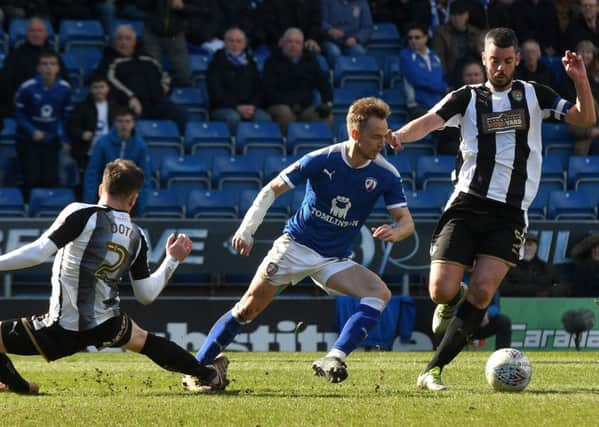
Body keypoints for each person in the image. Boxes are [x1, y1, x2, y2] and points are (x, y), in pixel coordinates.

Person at [389, 27, 595, 391]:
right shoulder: (465, 98)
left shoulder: (534, 94)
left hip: (510, 213)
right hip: (467, 204)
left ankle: (432, 371)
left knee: (483, 292)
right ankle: (451, 300)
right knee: (440, 289)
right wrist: (398, 137)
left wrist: (579, 79)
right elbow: (428, 122)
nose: (500, 67)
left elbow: (584, 118)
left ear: (517, 60)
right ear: (484, 59)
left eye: (508, 61)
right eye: (494, 61)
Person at [188, 97, 415, 388]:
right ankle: (197, 367)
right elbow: (273, 189)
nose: (382, 143)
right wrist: (247, 229)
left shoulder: (386, 174)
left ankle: (334, 357)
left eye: (385, 136)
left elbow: (406, 221)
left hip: (333, 259)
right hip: (295, 248)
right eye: (375, 137)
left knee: (379, 293)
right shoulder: (322, 159)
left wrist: (398, 232)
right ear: (355, 134)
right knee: (246, 310)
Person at [0, 159, 227, 394]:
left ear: (101, 189)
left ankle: (21, 386)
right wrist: (172, 260)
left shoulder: (81, 213)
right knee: (144, 341)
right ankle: (208, 375)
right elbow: (146, 295)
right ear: (133, 199)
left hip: (64, 325)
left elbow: (38, 253)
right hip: (108, 323)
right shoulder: (137, 235)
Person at [96, 25, 188, 133]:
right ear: (114, 42)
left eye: (127, 39)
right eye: (120, 39)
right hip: (129, 104)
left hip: (157, 102)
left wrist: (166, 86)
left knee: (180, 114)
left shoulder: (147, 58)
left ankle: (178, 145)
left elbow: (164, 75)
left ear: (134, 41)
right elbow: (108, 82)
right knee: (127, 121)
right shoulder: (109, 61)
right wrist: (130, 97)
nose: (123, 42)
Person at [14, 50, 73, 198]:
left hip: (52, 140)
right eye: (44, 64)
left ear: (58, 68)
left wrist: (64, 139)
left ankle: (49, 209)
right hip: (29, 140)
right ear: (38, 68)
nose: (48, 67)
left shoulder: (65, 88)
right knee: (31, 178)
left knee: (50, 178)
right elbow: (19, 114)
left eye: (52, 64)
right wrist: (32, 131)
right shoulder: (27, 87)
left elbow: (65, 117)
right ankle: (30, 213)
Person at [263, 28, 333, 135]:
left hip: (304, 107)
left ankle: (317, 147)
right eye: (289, 42)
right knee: (285, 113)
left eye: (297, 42)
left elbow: (323, 83)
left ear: (302, 45)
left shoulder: (310, 61)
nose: (293, 45)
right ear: (282, 43)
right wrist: (291, 103)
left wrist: (327, 103)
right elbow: (268, 91)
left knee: (326, 116)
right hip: (280, 105)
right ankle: (289, 147)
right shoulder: (271, 62)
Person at [83, 108, 152, 217]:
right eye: (120, 121)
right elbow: (93, 172)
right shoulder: (102, 143)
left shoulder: (140, 146)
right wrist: (90, 203)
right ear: (114, 122)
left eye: (127, 121)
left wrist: (141, 207)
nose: (124, 125)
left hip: (129, 201)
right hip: (105, 198)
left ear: (133, 123)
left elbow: (145, 177)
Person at [0, 16, 68, 117]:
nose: (36, 34)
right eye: (32, 31)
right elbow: (6, 85)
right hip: (23, 107)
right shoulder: (15, 56)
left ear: (45, 33)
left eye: (39, 31)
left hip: (51, 106)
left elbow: (64, 82)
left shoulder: (54, 56)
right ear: (27, 34)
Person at [207, 27, 271, 133]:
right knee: (233, 118)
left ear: (244, 44)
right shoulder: (215, 64)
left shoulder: (251, 64)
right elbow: (216, 93)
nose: (235, 44)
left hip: (250, 107)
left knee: (264, 118)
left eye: (239, 41)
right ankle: (234, 148)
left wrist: (252, 106)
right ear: (225, 43)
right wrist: (237, 107)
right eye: (231, 41)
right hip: (224, 107)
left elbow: (259, 89)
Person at [138, 0, 203, 87]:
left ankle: (169, 87)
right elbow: (139, 4)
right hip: (152, 34)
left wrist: (183, 7)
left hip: (176, 35)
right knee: (151, 75)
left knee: (185, 76)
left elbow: (200, 8)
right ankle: (158, 92)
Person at [66, 74, 117, 178]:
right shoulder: (82, 107)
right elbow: (71, 127)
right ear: (90, 89)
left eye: (102, 87)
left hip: (110, 151)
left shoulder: (115, 107)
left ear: (108, 88)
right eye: (95, 87)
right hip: (88, 152)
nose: (99, 90)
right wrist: (82, 134)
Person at [400, 23, 448, 119]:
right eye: (410, 38)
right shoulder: (405, 56)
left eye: (417, 37)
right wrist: (440, 86)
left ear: (426, 38)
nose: (413, 41)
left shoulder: (435, 55)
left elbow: (443, 77)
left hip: (437, 104)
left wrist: (439, 84)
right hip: (417, 106)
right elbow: (417, 80)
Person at [432, 0, 481, 87]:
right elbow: (439, 58)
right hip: (453, 73)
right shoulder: (441, 33)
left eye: (460, 14)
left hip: (474, 68)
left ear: (467, 15)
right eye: (454, 15)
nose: (457, 18)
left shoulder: (475, 32)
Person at [500, 233, 558, 297]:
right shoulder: (509, 267)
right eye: (522, 245)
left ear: (536, 247)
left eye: (529, 245)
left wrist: (519, 285)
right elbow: (504, 289)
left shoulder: (546, 267)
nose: (526, 248)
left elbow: (551, 288)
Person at [321, 0, 373, 66]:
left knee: (359, 52)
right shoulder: (326, 1)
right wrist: (329, 30)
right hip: (331, 40)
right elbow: (321, 21)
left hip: (351, 40)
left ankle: (355, 75)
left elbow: (367, 27)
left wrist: (356, 39)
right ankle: (336, 74)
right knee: (334, 53)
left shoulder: (362, 2)